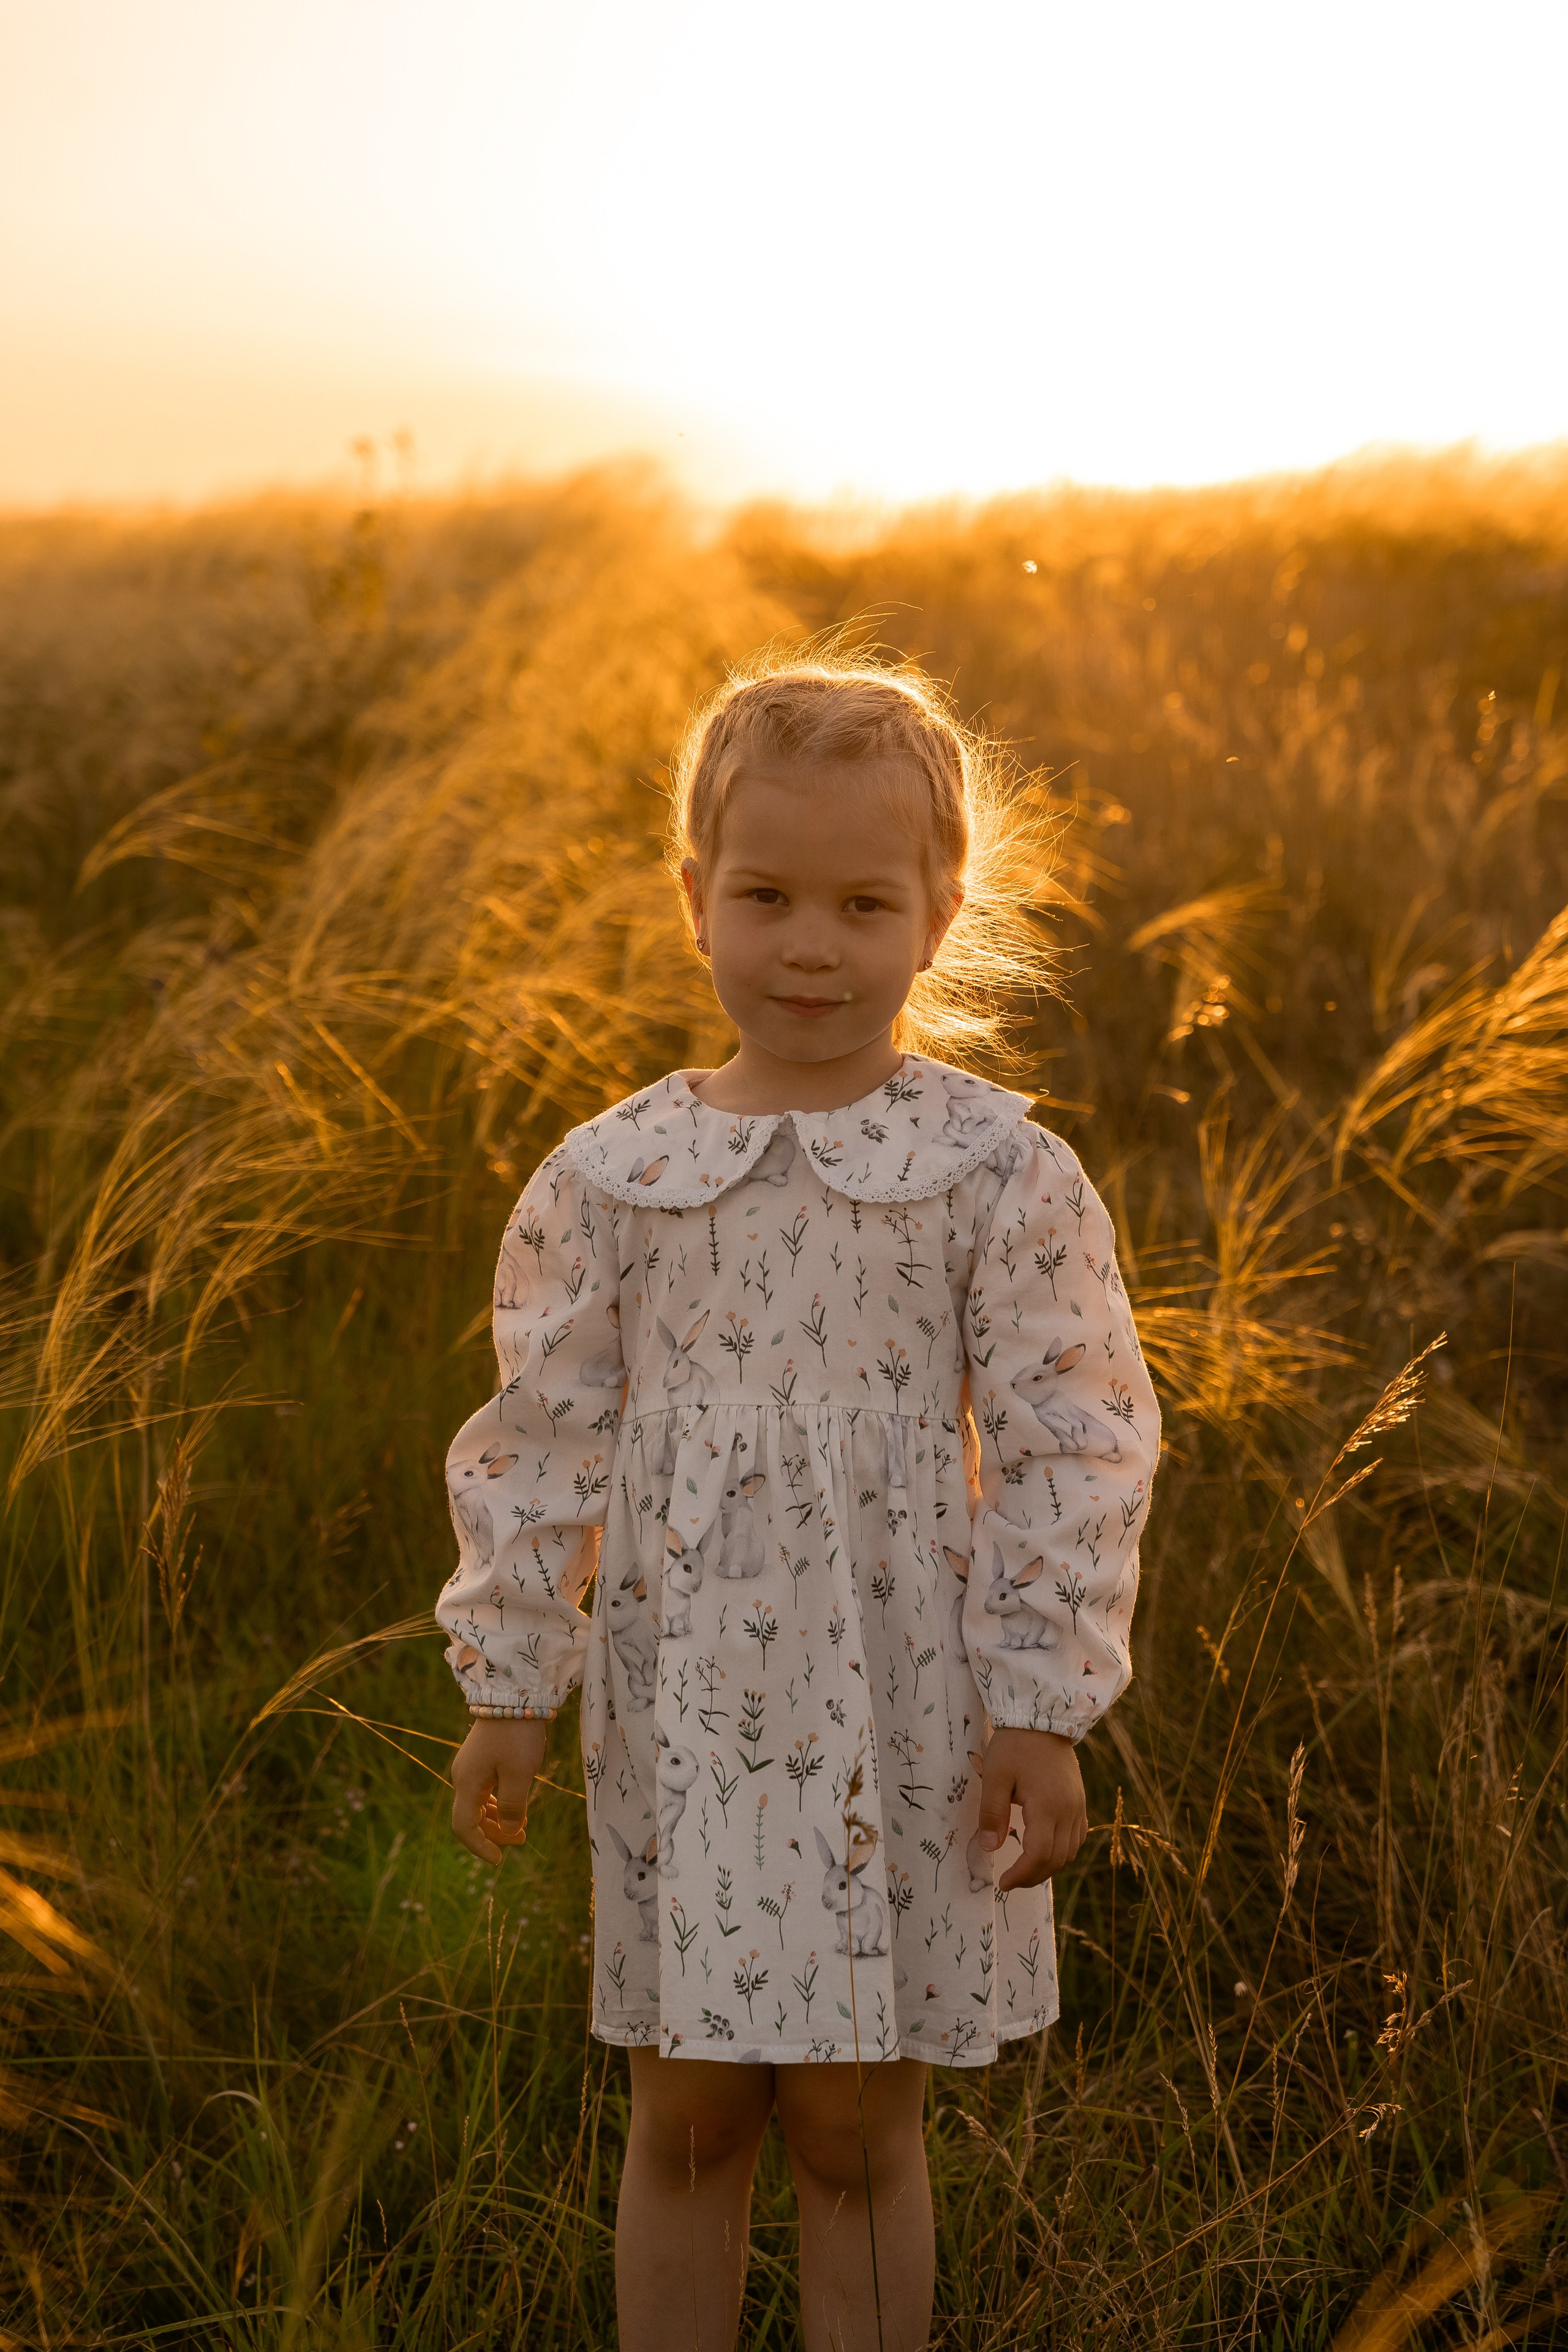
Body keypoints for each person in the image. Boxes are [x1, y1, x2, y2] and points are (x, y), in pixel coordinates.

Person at [439, 653, 1161, 2352]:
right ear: (696, 903)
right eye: (766, 896)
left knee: (851, 2124)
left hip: (908, 1702)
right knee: (688, 2112)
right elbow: (537, 1439)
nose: (814, 946)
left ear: (939, 911)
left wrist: (1042, 1709)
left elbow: (1081, 1435)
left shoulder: (995, 1169)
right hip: (684, 1706)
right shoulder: (615, 1176)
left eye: (863, 901)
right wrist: (510, 1687)